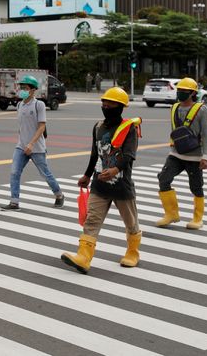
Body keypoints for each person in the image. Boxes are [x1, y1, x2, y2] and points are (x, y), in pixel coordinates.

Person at [61, 87, 142, 274]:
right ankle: (84, 257)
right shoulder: (98, 127)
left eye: (110, 103)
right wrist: (87, 175)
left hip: (121, 185)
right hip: (99, 185)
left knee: (131, 222)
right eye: (104, 102)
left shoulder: (129, 128)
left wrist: (114, 170)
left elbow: (129, 155)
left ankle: (133, 252)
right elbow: (94, 154)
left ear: (120, 106)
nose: (105, 106)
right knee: (92, 220)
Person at [155, 77, 207, 230]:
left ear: (193, 93)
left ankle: (198, 219)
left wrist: (205, 157)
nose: (180, 93)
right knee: (164, 179)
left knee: (196, 187)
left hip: (195, 156)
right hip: (175, 154)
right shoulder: (174, 107)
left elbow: (206, 134)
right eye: (179, 91)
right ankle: (171, 214)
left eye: (184, 91)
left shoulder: (201, 109)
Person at [1, 75, 64, 210]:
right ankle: (14, 201)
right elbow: (22, 127)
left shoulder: (38, 105)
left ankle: (59, 195)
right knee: (14, 172)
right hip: (21, 146)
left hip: (36, 147)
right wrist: (23, 142)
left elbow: (42, 126)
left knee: (45, 174)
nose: (22, 89)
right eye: (21, 87)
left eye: (26, 87)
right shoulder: (19, 105)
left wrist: (31, 144)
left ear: (33, 89)